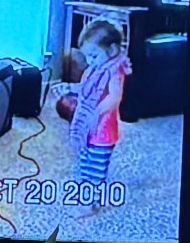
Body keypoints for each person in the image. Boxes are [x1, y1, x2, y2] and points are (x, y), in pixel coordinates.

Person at [53, 19, 132, 186]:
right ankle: (86, 189)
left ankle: (93, 195)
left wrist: (97, 113)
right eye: (87, 56)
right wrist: (69, 87)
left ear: (112, 50)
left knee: (96, 168)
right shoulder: (95, 68)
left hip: (102, 129)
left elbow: (114, 96)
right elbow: (86, 88)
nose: (89, 61)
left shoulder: (114, 71)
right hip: (86, 127)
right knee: (84, 162)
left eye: (94, 56)